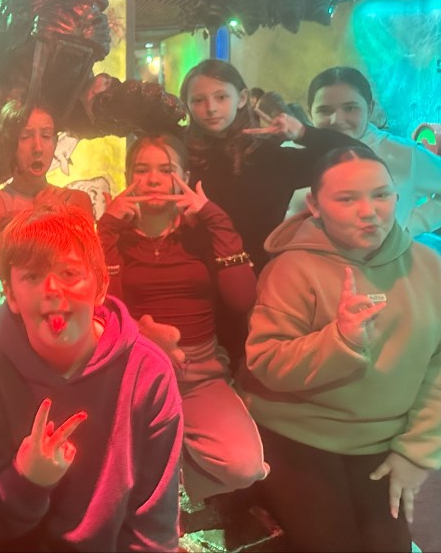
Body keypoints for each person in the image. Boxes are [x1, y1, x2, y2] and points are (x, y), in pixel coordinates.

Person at [242, 146, 441, 552]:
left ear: (397, 196)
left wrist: (418, 453)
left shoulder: (428, 265)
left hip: (383, 438)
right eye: (347, 199)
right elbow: (266, 361)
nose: (369, 212)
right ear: (315, 206)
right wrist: (341, 340)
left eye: (381, 195)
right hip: (298, 433)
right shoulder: (291, 268)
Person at [0, 205, 183, 551]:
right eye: (32, 276)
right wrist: (27, 480)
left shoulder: (148, 373)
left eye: (69, 273)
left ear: (100, 286)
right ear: (11, 294)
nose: (52, 288)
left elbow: (154, 525)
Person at [98, 133, 266, 503]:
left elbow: (242, 300)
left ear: (185, 177)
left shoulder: (201, 233)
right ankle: (158, 488)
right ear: (128, 178)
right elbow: (103, 311)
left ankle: (174, 478)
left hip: (200, 374)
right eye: (142, 170)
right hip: (135, 373)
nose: (153, 180)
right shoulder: (116, 236)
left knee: (245, 467)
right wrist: (106, 228)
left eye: (166, 170)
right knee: (113, 476)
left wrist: (214, 217)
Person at [180, 59, 355, 364]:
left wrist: (303, 133)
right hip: (195, 283)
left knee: (255, 366)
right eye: (198, 100)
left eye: (221, 97)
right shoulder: (181, 154)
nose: (210, 108)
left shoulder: (268, 156)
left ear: (242, 98)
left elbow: (352, 156)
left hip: (261, 283)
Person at [286, 66, 441, 237]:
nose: (337, 120)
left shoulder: (404, 153)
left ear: (370, 107)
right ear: (310, 112)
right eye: (324, 110)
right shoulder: (290, 153)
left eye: (350, 108)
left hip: (383, 254)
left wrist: (411, 226)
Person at [0, 100, 94, 296]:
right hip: (14, 313)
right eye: (25, 137)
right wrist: (42, 217)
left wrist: (26, 225)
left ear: (55, 143)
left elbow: (85, 268)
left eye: (46, 136)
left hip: (67, 307)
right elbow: (7, 273)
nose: (38, 147)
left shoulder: (77, 200)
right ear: (9, 143)